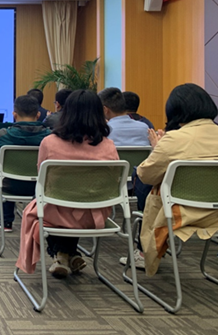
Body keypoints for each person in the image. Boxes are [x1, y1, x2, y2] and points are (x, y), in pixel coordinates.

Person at [17, 90, 119, 279]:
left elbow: (43, 179)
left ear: (66, 112)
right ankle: (70, 254)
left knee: (44, 202)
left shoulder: (49, 143)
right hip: (95, 215)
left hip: (58, 212)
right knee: (69, 201)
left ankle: (61, 254)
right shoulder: (109, 146)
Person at [135, 84, 218, 276]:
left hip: (181, 212)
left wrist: (157, 148)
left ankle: (142, 251)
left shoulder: (175, 139)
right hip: (215, 213)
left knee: (141, 178)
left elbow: (146, 175)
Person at [0, 95, 51, 232]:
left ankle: (6, 222)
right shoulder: (49, 137)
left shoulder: (3, 135)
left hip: (10, 187)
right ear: (38, 114)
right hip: (41, 188)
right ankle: (39, 220)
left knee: (5, 175)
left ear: (14, 114)